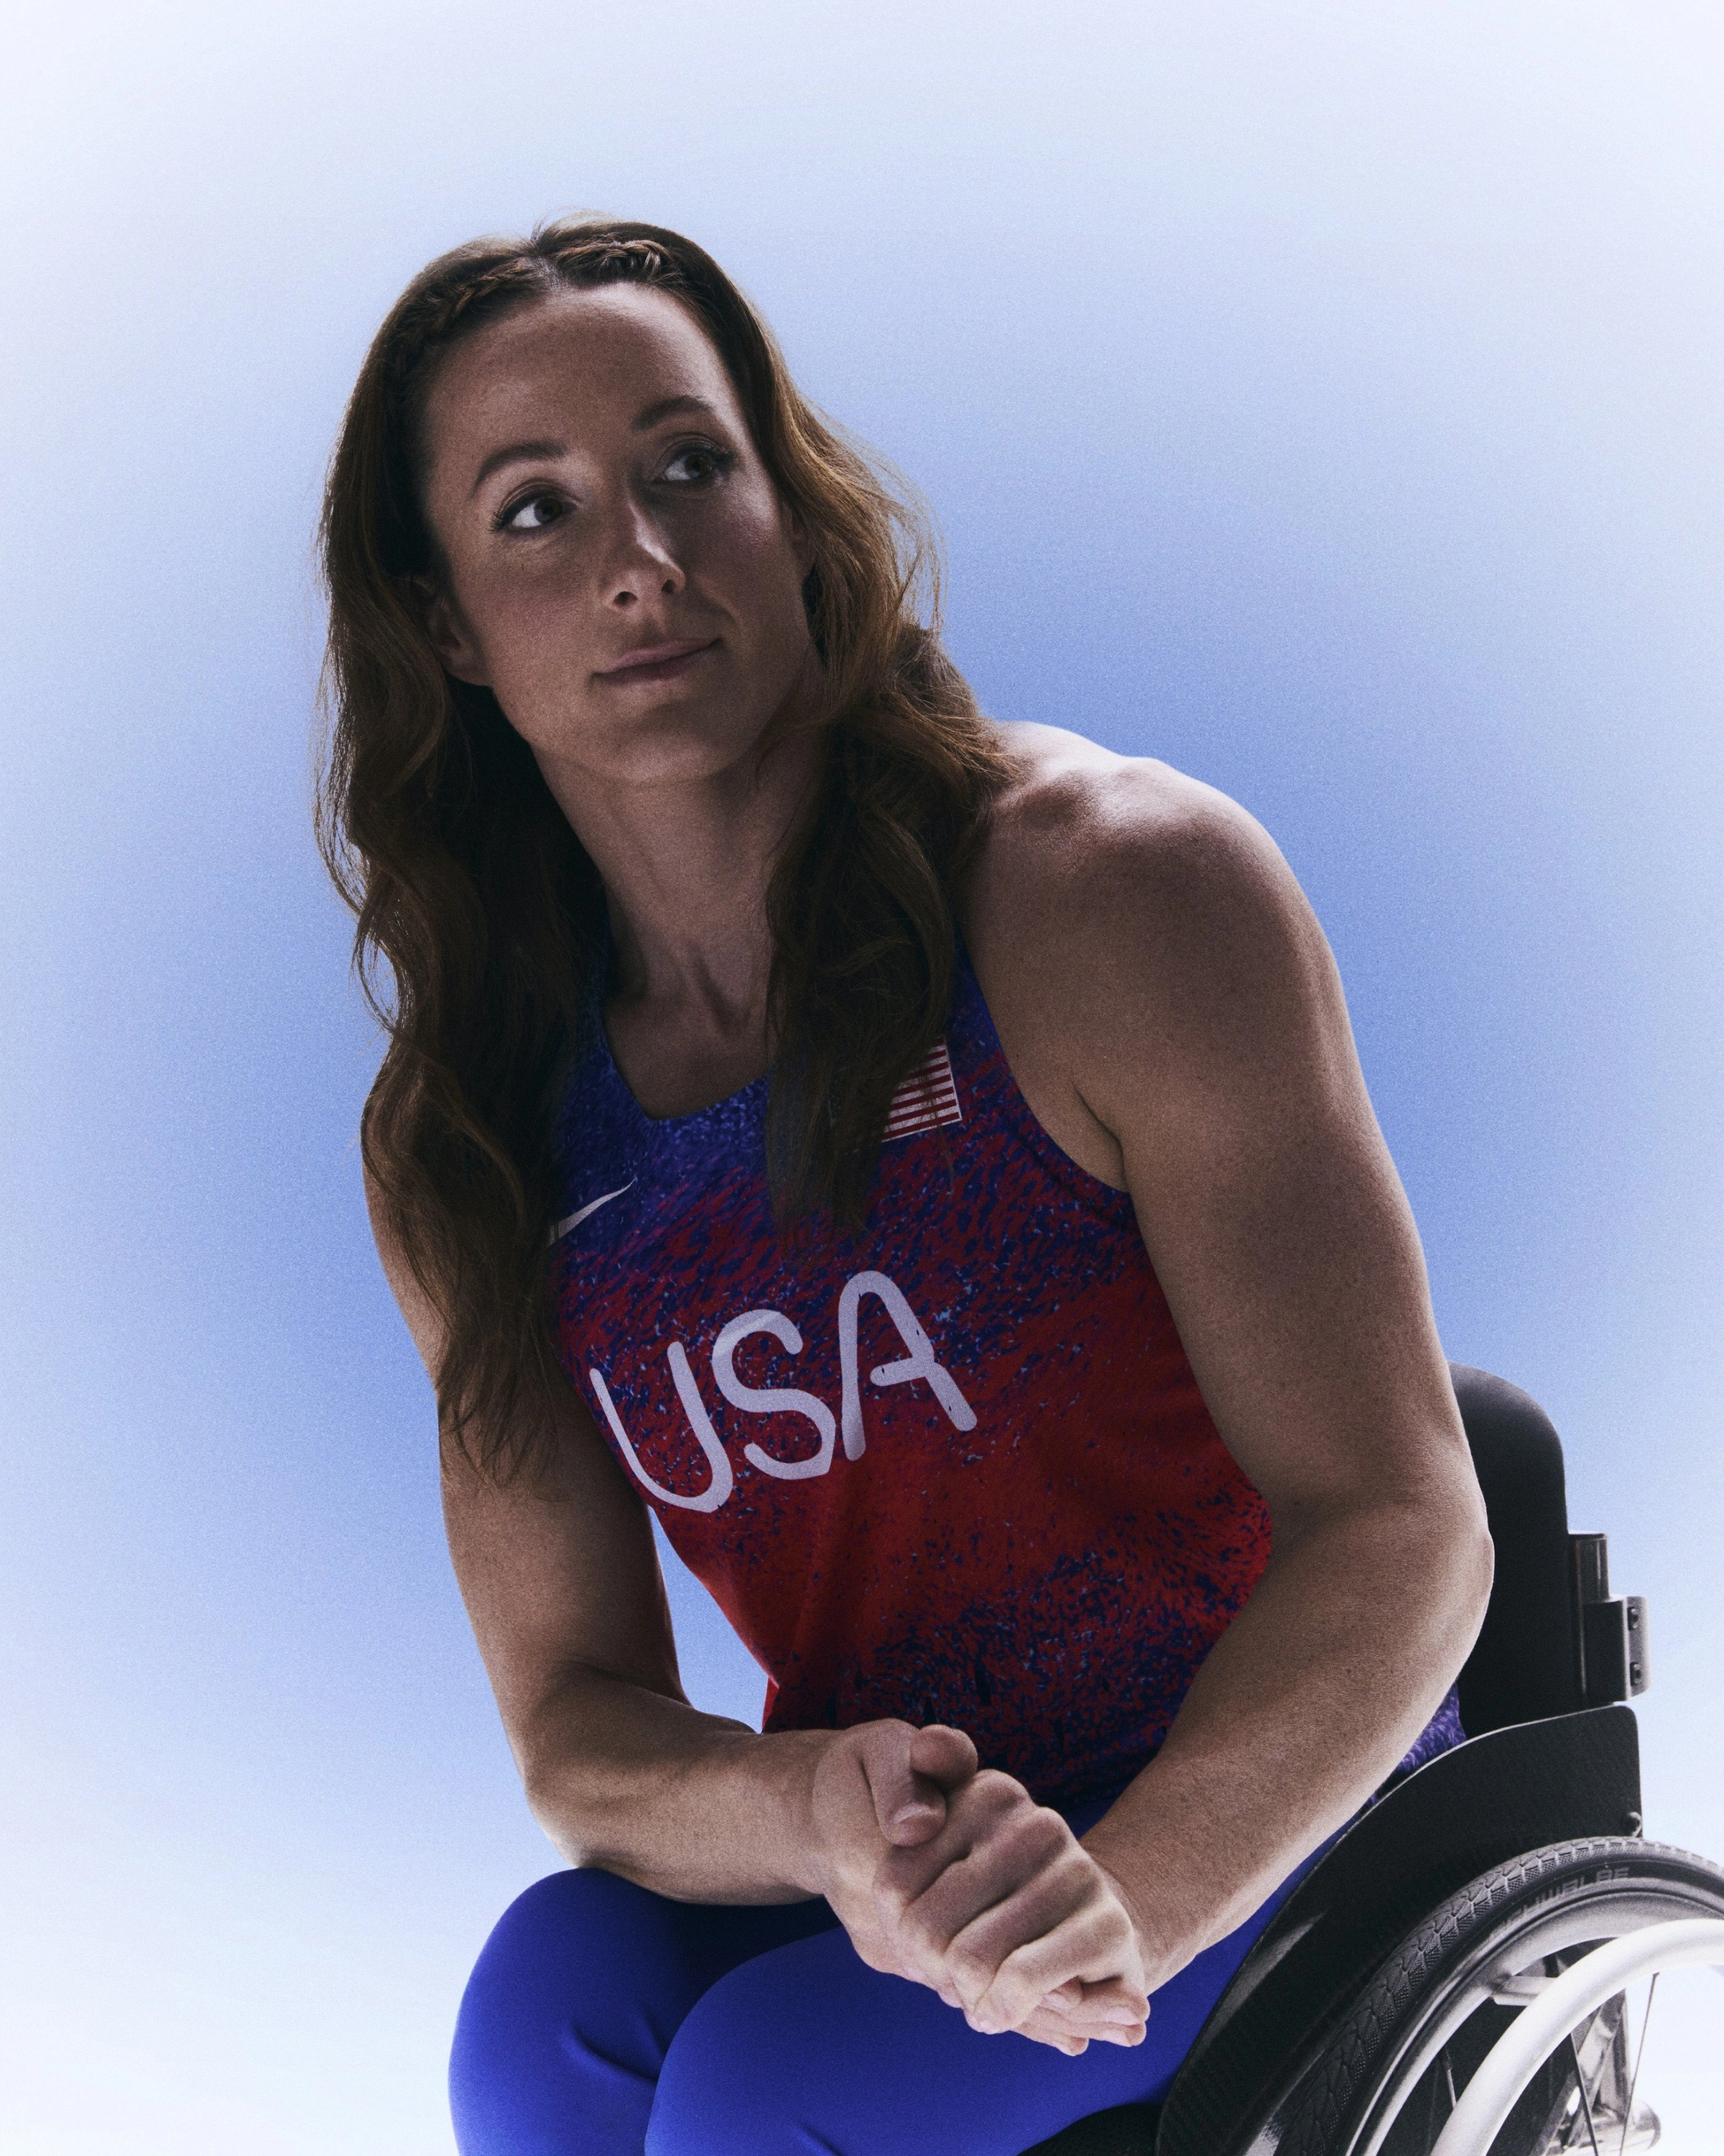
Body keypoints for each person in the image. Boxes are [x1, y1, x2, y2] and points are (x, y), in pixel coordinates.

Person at [315, 218, 1493, 2156]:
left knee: (766, 2095)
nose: (640, 558)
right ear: (444, 623)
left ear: (793, 505)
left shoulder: (1107, 892)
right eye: (534, 512)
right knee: (548, 2015)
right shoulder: (472, 1137)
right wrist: (808, 1817)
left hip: (1262, 1807)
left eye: (694, 466)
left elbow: (1402, 1528)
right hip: (905, 1834)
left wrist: (1131, 1892)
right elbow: (579, 1724)